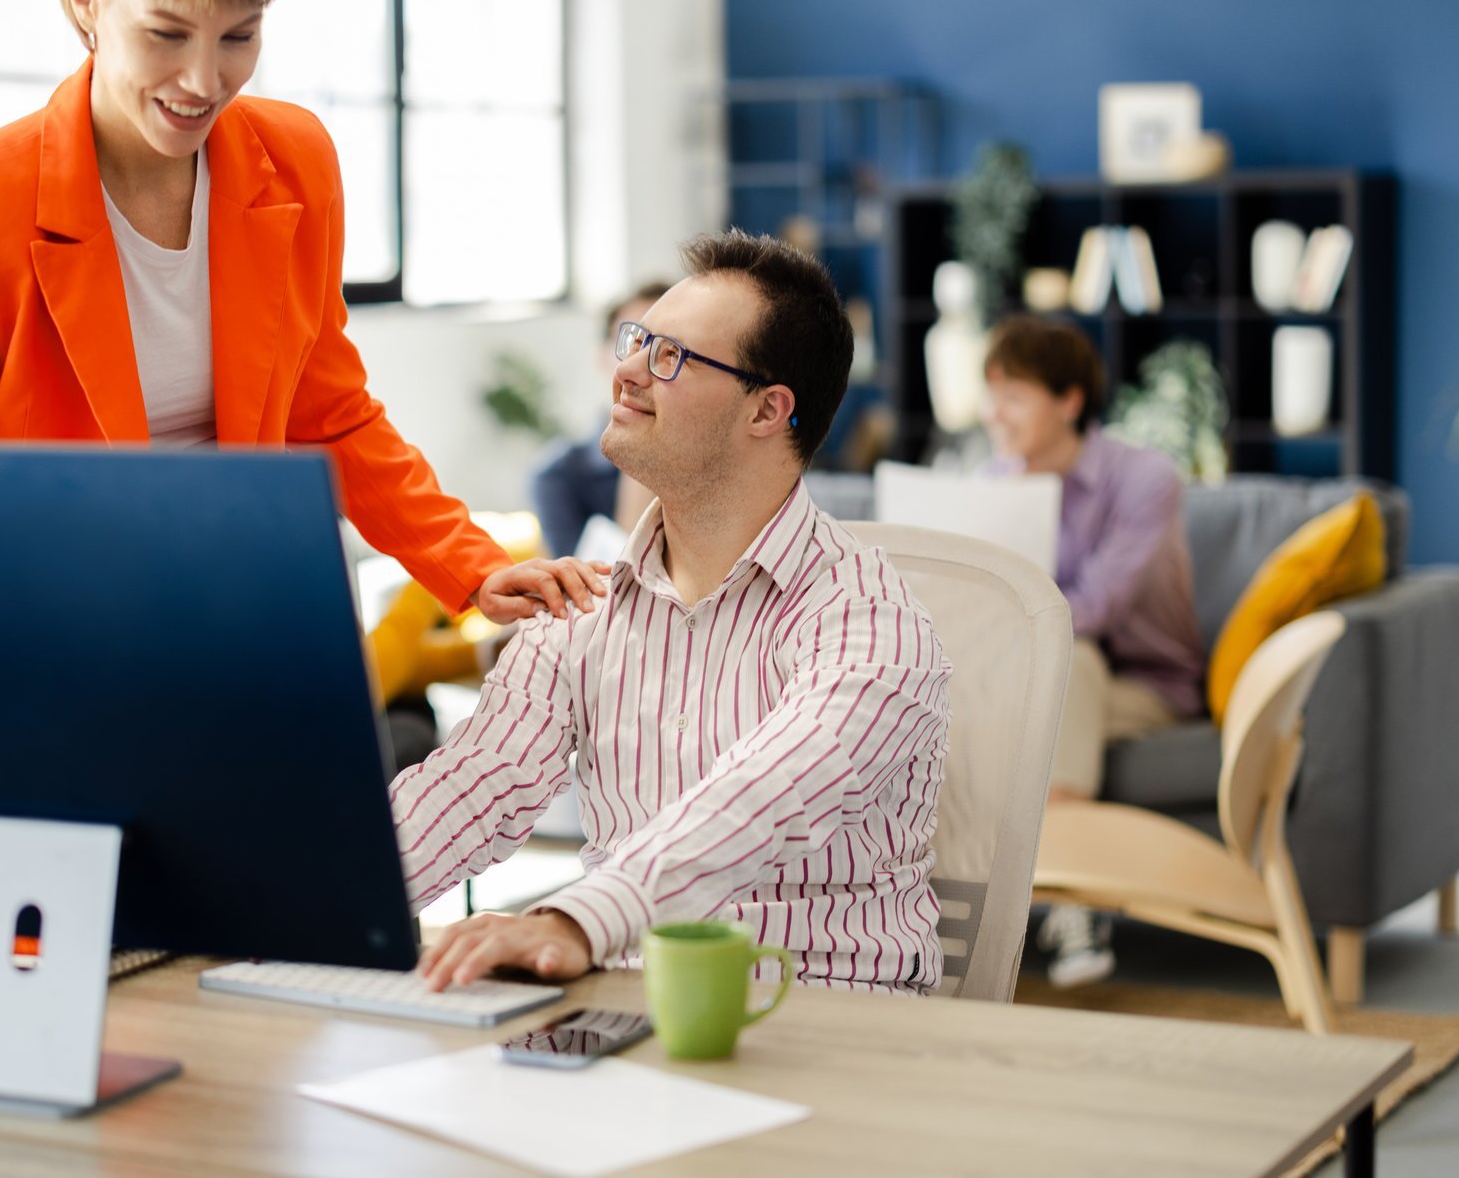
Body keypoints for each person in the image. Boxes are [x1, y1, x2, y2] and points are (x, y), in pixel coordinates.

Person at [0, 0, 597, 624]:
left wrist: (473, 564)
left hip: (241, 597)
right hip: (50, 613)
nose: (203, 80)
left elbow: (329, 416)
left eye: (239, 36)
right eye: (167, 34)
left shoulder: (296, 160)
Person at [392, 231, 954, 995]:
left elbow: (759, 803)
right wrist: (311, 899)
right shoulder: (579, 607)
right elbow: (475, 786)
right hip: (619, 1003)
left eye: (670, 357)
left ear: (767, 410)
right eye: (637, 342)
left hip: (825, 1012)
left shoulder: (870, 623)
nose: (625, 372)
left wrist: (571, 920)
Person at [977, 316, 1205, 987]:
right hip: (1033, 681)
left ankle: (1068, 902)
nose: (995, 415)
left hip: (1148, 683)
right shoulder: (991, 481)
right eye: (992, 395)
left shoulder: (1145, 480)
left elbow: (1094, 608)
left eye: (1014, 396)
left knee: (1071, 657)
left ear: (1070, 401)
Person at [530, 283, 670, 559]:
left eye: (668, 350)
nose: (641, 365)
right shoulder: (559, 475)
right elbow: (589, 595)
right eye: (632, 343)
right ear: (602, 357)